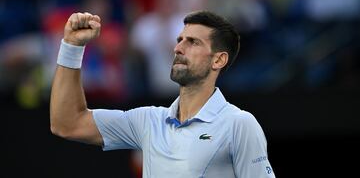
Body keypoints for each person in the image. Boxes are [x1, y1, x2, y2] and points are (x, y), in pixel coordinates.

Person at [50, 11, 276, 177]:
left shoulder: (239, 124)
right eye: (180, 40)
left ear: (218, 59)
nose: (178, 48)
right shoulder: (148, 121)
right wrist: (71, 46)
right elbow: (67, 123)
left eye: (193, 42)